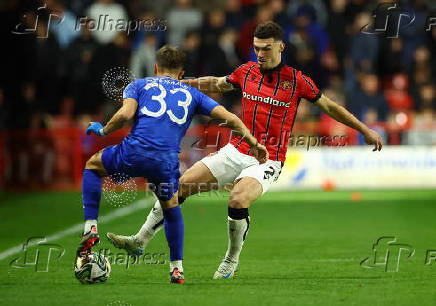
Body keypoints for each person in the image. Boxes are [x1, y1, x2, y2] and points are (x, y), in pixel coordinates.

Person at [108, 21, 383, 280]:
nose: (260, 53)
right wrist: (181, 83)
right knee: (178, 188)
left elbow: (332, 108)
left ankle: (231, 259)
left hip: (268, 159)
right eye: (256, 48)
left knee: (238, 200)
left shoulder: (297, 81)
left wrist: (365, 130)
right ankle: (139, 240)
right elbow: (216, 83)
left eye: (266, 48)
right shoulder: (246, 71)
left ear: (280, 47)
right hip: (235, 150)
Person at [77, 45, 268, 284]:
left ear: (156, 68)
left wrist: (104, 129)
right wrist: (252, 142)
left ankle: (91, 227)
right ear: (181, 73)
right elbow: (230, 118)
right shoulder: (193, 93)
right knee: (171, 205)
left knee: (93, 166)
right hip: (165, 162)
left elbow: (125, 115)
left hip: (134, 152)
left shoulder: (138, 85)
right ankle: (176, 269)